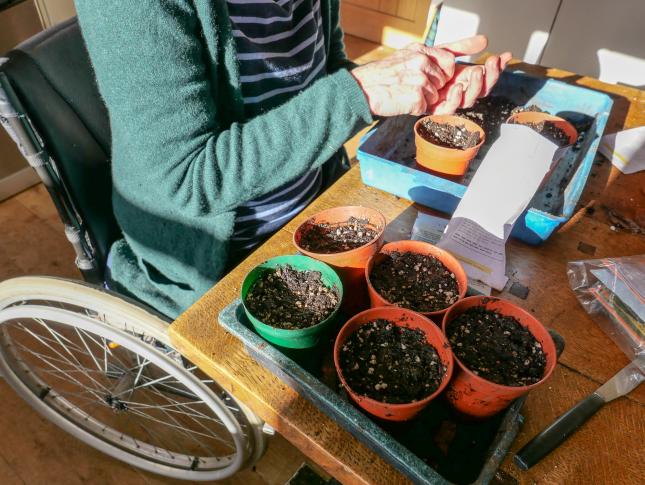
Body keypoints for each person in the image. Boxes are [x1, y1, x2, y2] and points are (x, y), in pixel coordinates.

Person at [76, 0, 511, 318]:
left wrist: (413, 88)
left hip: (316, 203)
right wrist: (361, 92)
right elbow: (189, 181)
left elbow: (325, 74)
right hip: (223, 255)